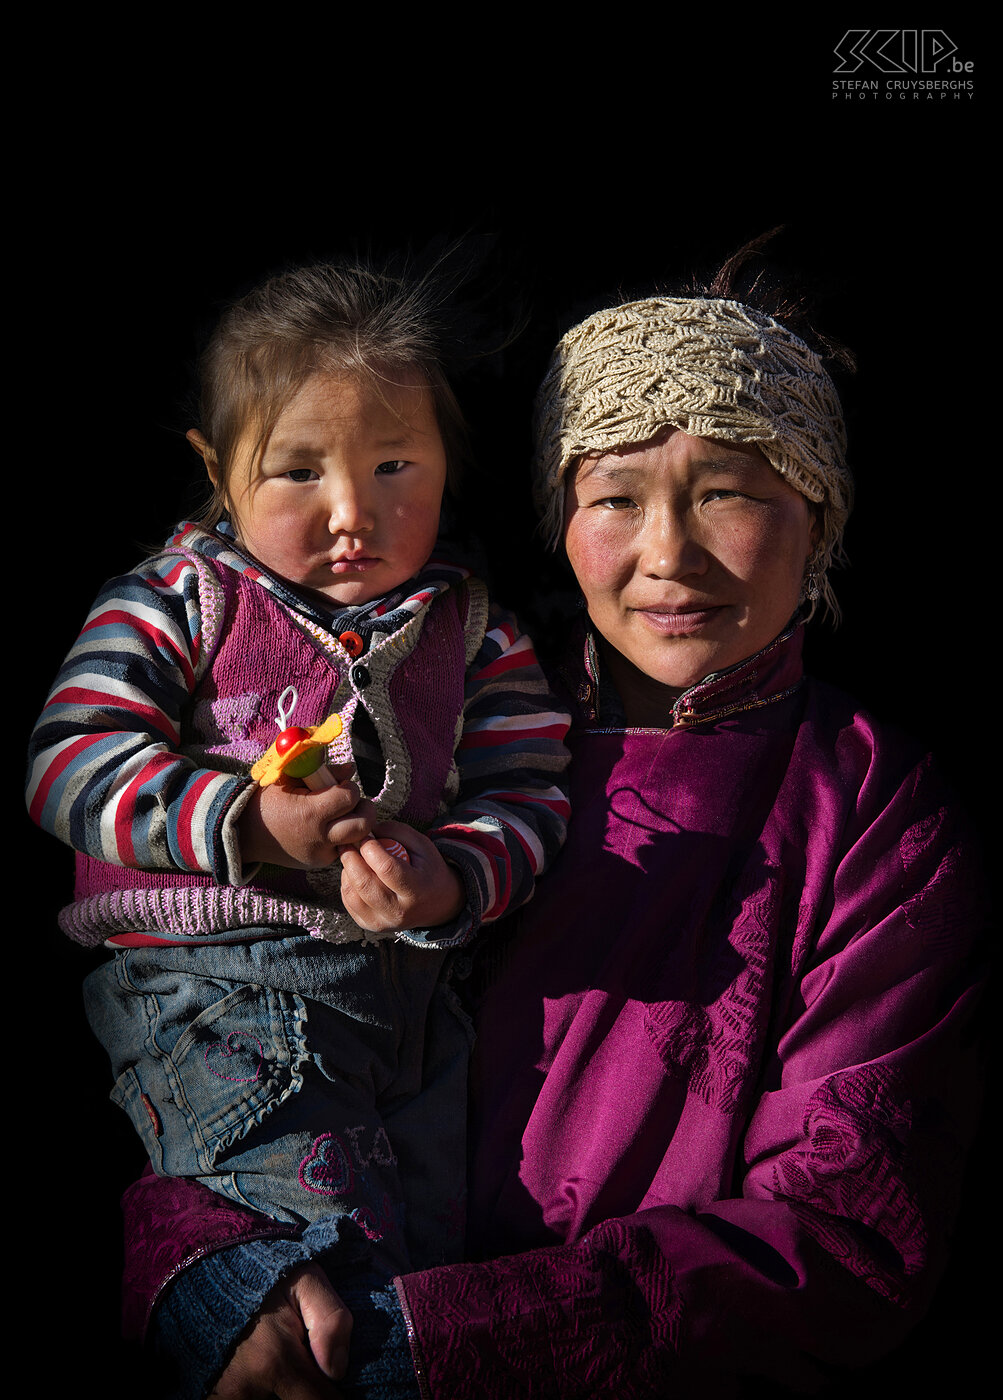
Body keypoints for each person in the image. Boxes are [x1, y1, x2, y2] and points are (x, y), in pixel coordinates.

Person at [109, 277, 985, 1399]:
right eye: (614, 495)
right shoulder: (431, 727)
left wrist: (418, 1346)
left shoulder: (873, 811)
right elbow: (215, 1007)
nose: (666, 553)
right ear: (557, 516)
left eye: (727, 491)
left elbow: (844, 1234)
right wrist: (218, 1277)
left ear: (819, 510)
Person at [26, 260, 571, 1287]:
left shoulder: (473, 630)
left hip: (417, 1002)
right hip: (221, 995)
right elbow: (70, 765)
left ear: (447, 462)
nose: (351, 512)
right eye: (298, 470)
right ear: (217, 465)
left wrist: (452, 873)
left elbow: (531, 790)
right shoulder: (178, 599)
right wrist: (246, 821)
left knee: (427, 1272)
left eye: (395, 466)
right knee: (312, 1278)